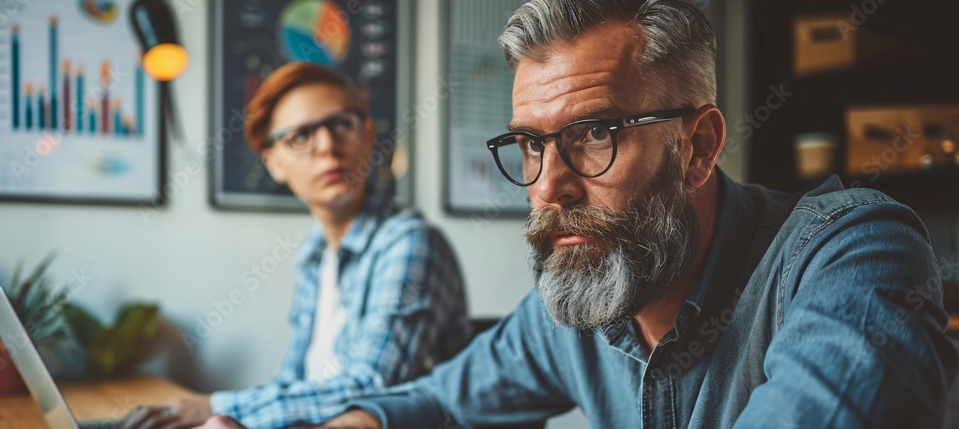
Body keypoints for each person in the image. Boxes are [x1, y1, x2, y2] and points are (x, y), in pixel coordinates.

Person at [198, 1, 958, 428]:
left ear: (697, 146)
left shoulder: (854, 252)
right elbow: (439, 399)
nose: (549, 185)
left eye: (594, 134)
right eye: (529, 145)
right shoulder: (578, 301)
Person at [123, 62, 472, 429]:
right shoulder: (313, 254)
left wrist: (214, 404)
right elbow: (292, 382)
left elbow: (371, 386)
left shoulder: (410, 242)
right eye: (300, 136)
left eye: (342, 125)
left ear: (368, 135)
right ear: (274, 163)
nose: (327, 147)